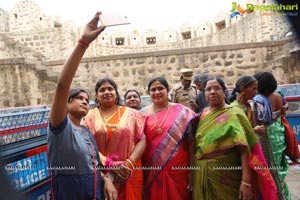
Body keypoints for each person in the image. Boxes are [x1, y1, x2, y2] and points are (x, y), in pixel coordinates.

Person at [47, 12, 117, 200]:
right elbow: (62, 85)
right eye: (78, 98)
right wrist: (83, 43)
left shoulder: (86, 132)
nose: (85, 101)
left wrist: (107, 180)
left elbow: (94, 165)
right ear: (66, 103)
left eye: (87, 99)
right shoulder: (60, 129)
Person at [192, 77, 278, 200]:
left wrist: (246, 182)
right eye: (208, 89)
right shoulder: (201, 115)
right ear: (204, 93)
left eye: (217, 88)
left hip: (227, 177)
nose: (212, 92)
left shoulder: (235, 113)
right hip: (201, 175)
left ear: (224, 91)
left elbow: (245, 150)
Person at [82, 78, 146, 200]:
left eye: (110, 89)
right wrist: (110, 165)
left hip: (130, 170)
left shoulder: (131, 114)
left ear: (116, 94)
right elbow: (86, 146)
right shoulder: (89, 116)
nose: (107, 92)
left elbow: (142, 139)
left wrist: (128, 163)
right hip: (104, 172)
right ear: (97, 96)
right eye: (102, 90)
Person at [140, 77, 196, 200]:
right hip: (151, 169)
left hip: (178, 169)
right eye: (153, 89)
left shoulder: (182, 112)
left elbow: (191, 141)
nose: (157, 92)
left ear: (168, 90)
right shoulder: (142, 114)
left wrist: (191, 170)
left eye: (160, 88)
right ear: (149, 93)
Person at [253, 72, 291, 200]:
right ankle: (282, 193)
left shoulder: (260, 101)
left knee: (269, 169)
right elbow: (283, 113)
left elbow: (260, 120)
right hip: (279, 134)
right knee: (278, 164)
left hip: (267, 136)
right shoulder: (279, 96)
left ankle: (275, 194)